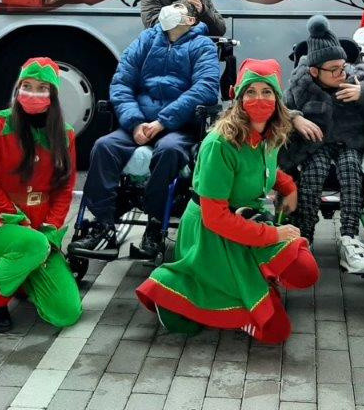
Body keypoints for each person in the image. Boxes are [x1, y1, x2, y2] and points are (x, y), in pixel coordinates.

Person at [136, 59, 319, 343]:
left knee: (305, 270)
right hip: (212, 234)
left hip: (247, 221)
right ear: (238, 97)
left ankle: (253, 281)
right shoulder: (220, 143)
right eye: (251, 92)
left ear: (278, 98)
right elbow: (216, 218)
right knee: (275, 332)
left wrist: (287, 185)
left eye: (267, 91)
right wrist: (272, 235)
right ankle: (176, 292)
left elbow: (260, 167)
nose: (259, 99)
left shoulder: (269, 132)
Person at [72, 0, 220, 258]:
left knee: (169, 151)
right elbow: (121, 83)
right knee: (104, 147)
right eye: (171, 6)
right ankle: (103, 225)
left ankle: (154, 223)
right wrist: (135, 121)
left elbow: (205, 88)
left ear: (191, 21)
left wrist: (163, 121)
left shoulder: (202, 46)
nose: (171, 10)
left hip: (177, 126)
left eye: (180, 9)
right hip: (138, 122)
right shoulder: (145, 41)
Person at [0, 58, 81, 332]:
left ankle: (21, 275)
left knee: (66, 313)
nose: (33, 93)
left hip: (40, 232)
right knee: (32, 246)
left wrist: (50, 229)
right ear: (17, 90)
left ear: (52, 94)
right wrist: (23, 224)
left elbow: (64, 189)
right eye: (26, 86)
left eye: (42, 88)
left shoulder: (65, 135)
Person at [283, 15, 364, 273]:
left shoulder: (355, 83)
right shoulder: (300, 86)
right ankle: (303, 234)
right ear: (314, 71)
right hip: (314, 147)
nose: (342, 73)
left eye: (343, 66)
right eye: (335, 70)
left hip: (349, 144)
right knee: (314, 171)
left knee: (352, 169)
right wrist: (295, 119)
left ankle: (350, 238)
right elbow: (281, 112)